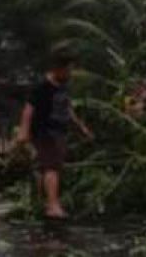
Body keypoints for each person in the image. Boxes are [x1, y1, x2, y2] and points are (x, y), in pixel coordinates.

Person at [16, 49, 92, 220]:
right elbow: (29, 109)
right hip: (45, 132)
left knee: (51, 166)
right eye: (68, 69)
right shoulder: (43, 86)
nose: (71, 73)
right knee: (52, 167)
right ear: (58, 68)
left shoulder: (63, 85)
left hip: (59, 132)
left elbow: (67, 108)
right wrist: (23, 131)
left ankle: (45, 201)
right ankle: (52, 206)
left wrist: (80, 128)